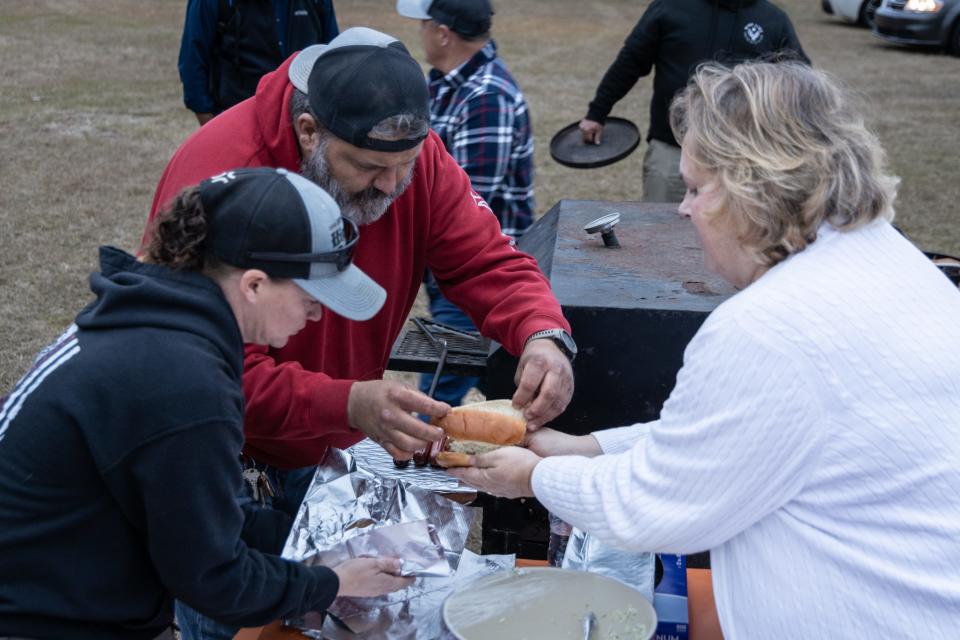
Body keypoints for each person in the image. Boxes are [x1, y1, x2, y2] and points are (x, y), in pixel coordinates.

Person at [451, 61, 960, 638]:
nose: (683, 209)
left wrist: (531, 476)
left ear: (754, 186)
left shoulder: (770, 327)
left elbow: (655, 507)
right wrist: (583, 446)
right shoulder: (885, 260)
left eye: (696, 188)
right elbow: (727, 439)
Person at [146, 27, 575, 638]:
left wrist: (542, 332)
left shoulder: (408, 160)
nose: (390, 187)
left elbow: (485, 260)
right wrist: (346, 399)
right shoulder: (221, 174)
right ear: (309, 132)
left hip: (332, 447)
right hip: (221, 460)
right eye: (370, 168)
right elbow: (194, 373)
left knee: (341, 613)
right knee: (235, 616)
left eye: (405, 167)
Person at [0, 167, 412, 639]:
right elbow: (214, 579)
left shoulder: (153, 323)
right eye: (310, 294)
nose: (318, 313)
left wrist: (323, 546)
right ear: (253, 286)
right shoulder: (181, 380)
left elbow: (213, 515)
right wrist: (332, 583)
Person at [396, 0, 537, 407]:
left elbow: (470, 199)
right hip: (448, 267)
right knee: (446, 381)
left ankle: (423, 461)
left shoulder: (485, 96)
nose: (419, 33)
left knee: (439, 395)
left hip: (470, 266)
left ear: (443, 33)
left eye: (423, 24)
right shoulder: (444, 84)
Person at [579, 0, 808, 203]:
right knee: (659, 235)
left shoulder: (773, 19)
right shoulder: (671, 7)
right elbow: (630, 62)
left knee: (733, 242)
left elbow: (799, 80)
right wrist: (597, 112)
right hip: (672, 152)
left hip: (744, 159)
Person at [178, 0, 339, 125]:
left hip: (302, 117)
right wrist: (207, 118)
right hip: (240, 118)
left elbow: (332, 57)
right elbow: (193, 59)